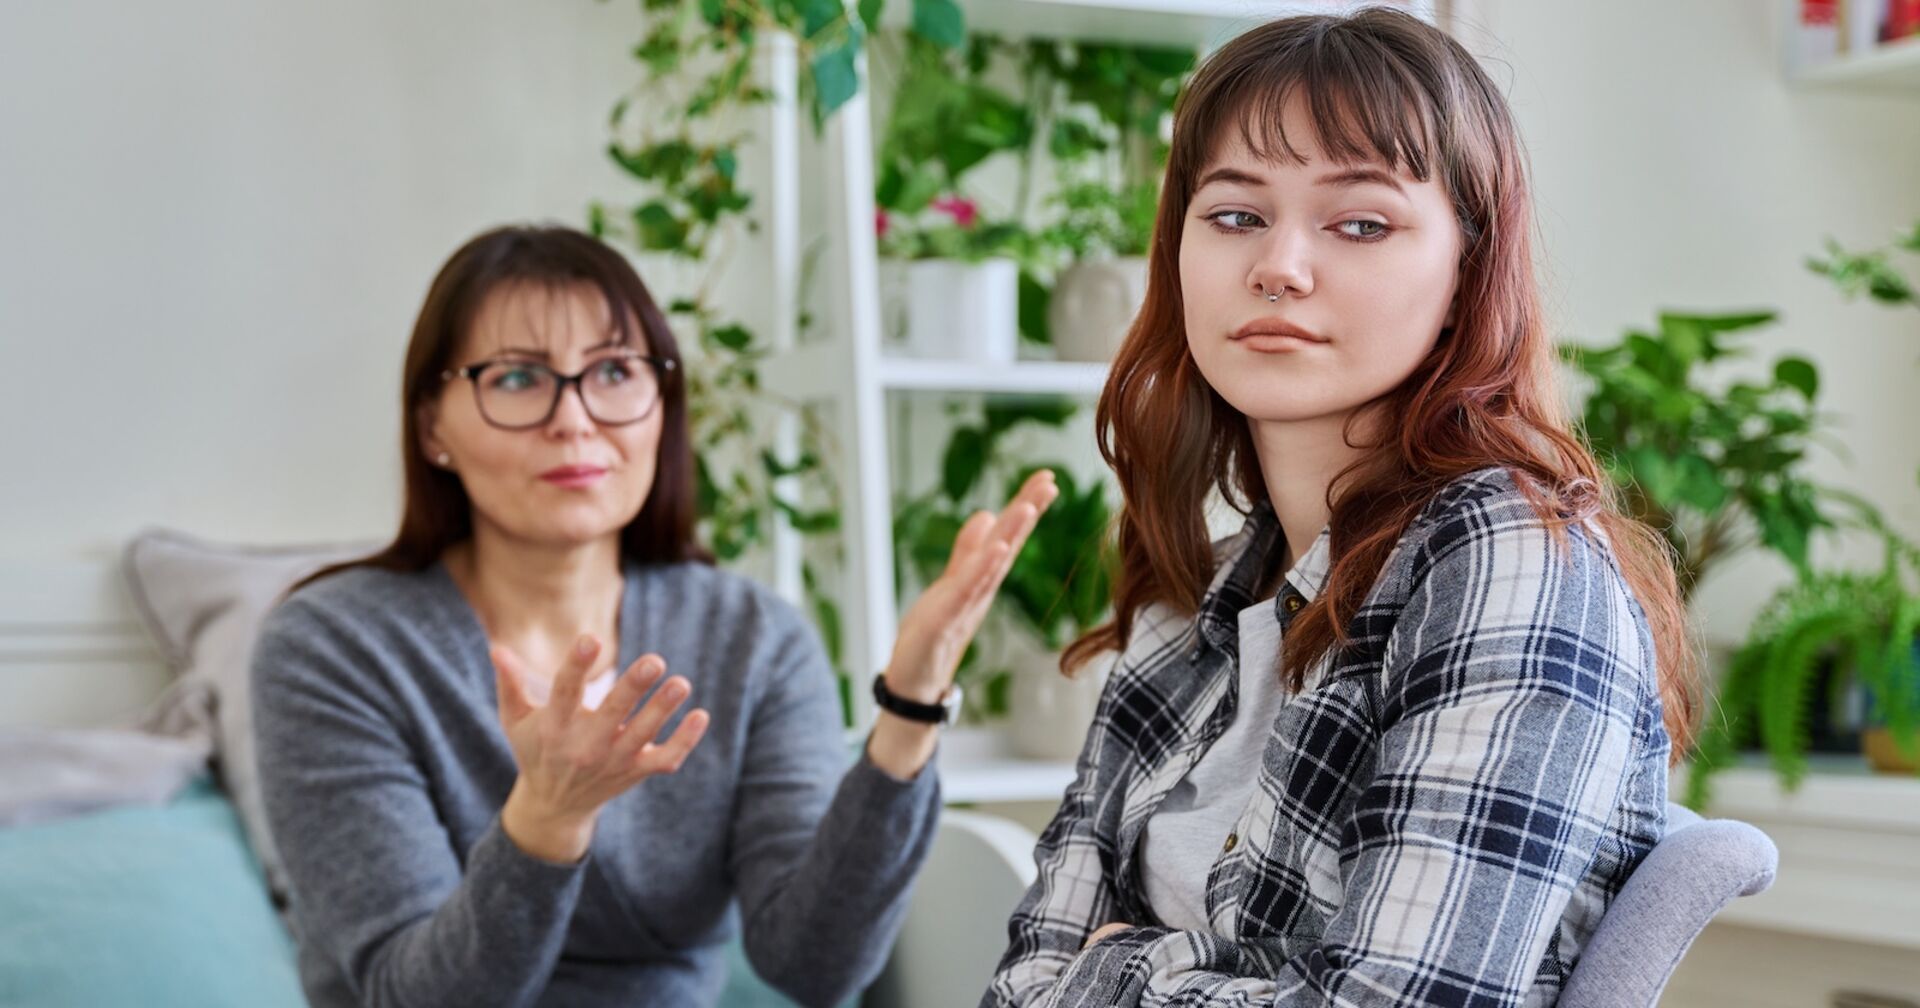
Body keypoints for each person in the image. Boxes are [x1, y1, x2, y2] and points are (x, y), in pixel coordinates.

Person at [983, 8, 1697, 1006]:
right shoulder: (1197, 599)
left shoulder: (1513, 563)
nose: (1278, 267)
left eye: (1361, 224)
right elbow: (1018, 981)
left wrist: (1113, 966)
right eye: (1235, 216)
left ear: (1467, 273)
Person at [252, 223, 1058, 1007]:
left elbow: (814, 966)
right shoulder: (332, 647)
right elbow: (407, 994)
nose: (575, 419)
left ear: (662, 405)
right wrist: (547, 819)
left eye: (613, 372)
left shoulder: (754, 639)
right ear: (433, 426)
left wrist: (911, 706)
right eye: (518, 379)